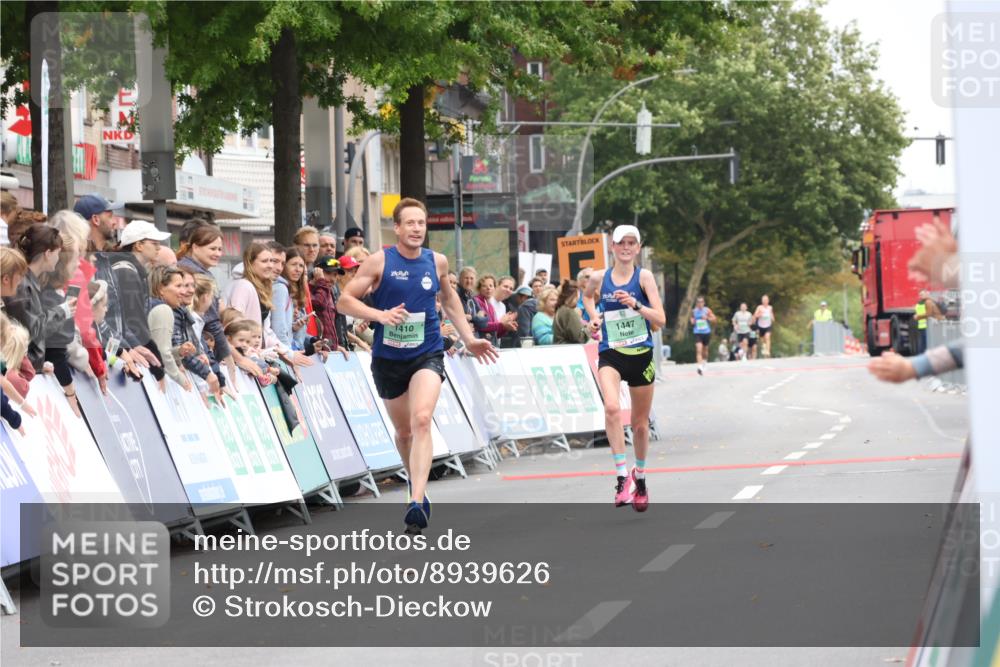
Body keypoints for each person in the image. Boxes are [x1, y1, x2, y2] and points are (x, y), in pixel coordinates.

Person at [336, 197, 497, 534]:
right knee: (405, 431)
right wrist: (380, 315)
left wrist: (469, 339)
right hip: (388, 359)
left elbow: (450, 300)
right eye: (409, 223)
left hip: (427, 351)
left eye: (421, 223)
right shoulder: (379, 261)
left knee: (422, 418)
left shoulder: (436, 262)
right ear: (396, 228)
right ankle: (415, 483)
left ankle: (417, 500)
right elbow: (344, 301)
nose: (416, 228)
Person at [582, 224, 666, 512]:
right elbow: (587, 296)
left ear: (638, 247)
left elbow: (661, 318)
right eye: (621, 243)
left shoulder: (644, 277)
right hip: (611, 353)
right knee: (612, 408)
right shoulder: (599, 277)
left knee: (640, 425)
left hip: (641, 355)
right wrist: (593, 318)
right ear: (612, 247)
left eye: (632, 243)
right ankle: (621, 478)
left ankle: (639, 477)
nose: (626, 247)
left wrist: (636, 305)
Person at [6, 227, 79, 412]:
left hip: (28, 371)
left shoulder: (29, 282)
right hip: (20, 374)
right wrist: (61, 312)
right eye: (57, 252)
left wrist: (38, 365)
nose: (58, 257)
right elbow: (31, 330)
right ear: (48, 253)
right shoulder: (23, 284)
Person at [177, 224, 251, 381]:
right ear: (195, 247)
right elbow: (212, 323)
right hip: (196, 352)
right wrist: (231, 359)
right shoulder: (194, 272)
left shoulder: (197, 270)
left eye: (220, 249)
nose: (218, 253)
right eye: (213, 249)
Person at [147, 265, 192, 392]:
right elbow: (162, 352)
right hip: (153, 381)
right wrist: (182, 380)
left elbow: (155, 352)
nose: (183, 292)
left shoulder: (148, 304)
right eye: (178, 286)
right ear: (161, 288)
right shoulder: (163, 310)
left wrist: (178, 352)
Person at [309, 256, 344, 351]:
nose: (333, 279)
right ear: (317, 272)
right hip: (313, 351)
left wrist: (335, 346)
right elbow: (319, 303)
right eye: (328, 273)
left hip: (329, 351)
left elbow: (330, 327)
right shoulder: (310, 289)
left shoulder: (328, 291)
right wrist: (321, 281)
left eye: (335, 275)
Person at [472, 274, 517, 344]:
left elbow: (495, 333)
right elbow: (481, 326)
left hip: (493, 344)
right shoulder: (484, 300)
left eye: (511, 288)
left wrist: (506, 328)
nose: (508, 290)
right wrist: (502, 324)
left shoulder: (502, 306)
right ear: (497, 286)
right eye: (505, 286)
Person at [553, 280, 594, 344]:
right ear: (576, 294)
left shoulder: (561, 309)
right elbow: (580, 339)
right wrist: (590, 328)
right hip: (569, 350)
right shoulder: (568, 312)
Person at [690, 296, 716, 375]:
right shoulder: (694, 311)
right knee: (699, 349)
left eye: (701, 302)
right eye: (698, 302)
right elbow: (691, 320)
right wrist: (693, 321)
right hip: (698, 332)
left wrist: (707, 318)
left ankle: (704, 362)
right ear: (697, 303)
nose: (700, 303)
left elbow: (714, 319)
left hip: (706, 332)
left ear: (703, 303)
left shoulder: (707, 310)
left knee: (705, 350)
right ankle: (700, 366)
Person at [913, 290, 943, 354]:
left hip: (929, 325)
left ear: (927, 294)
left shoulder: (928, 302)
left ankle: (923, 356)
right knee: (925, 342)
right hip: (926, 325)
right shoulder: (923, 302)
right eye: (920, 295)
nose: (920, 296)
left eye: (922, 294)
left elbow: (928, 313)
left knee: (925, 343)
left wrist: (917, 316)